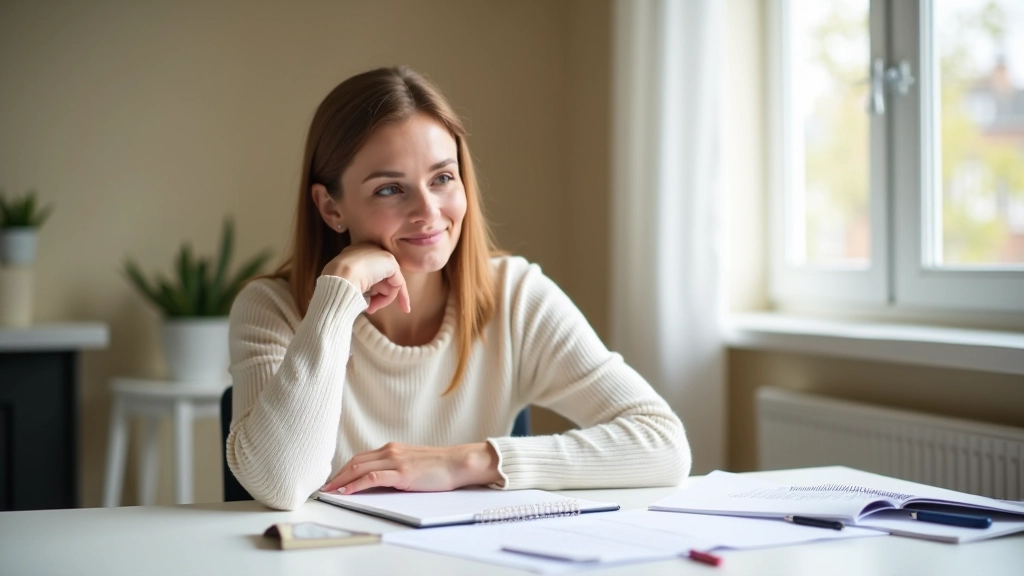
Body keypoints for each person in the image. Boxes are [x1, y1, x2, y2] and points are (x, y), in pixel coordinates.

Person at [225, 66, 691, 511]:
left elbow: (663, 443)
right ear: (331, 208)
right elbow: (280, 484)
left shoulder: (515, 296)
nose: (428, 212)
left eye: (443, 178)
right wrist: (338, 295)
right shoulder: (273, 309)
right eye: (390, 189)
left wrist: (465, 462)